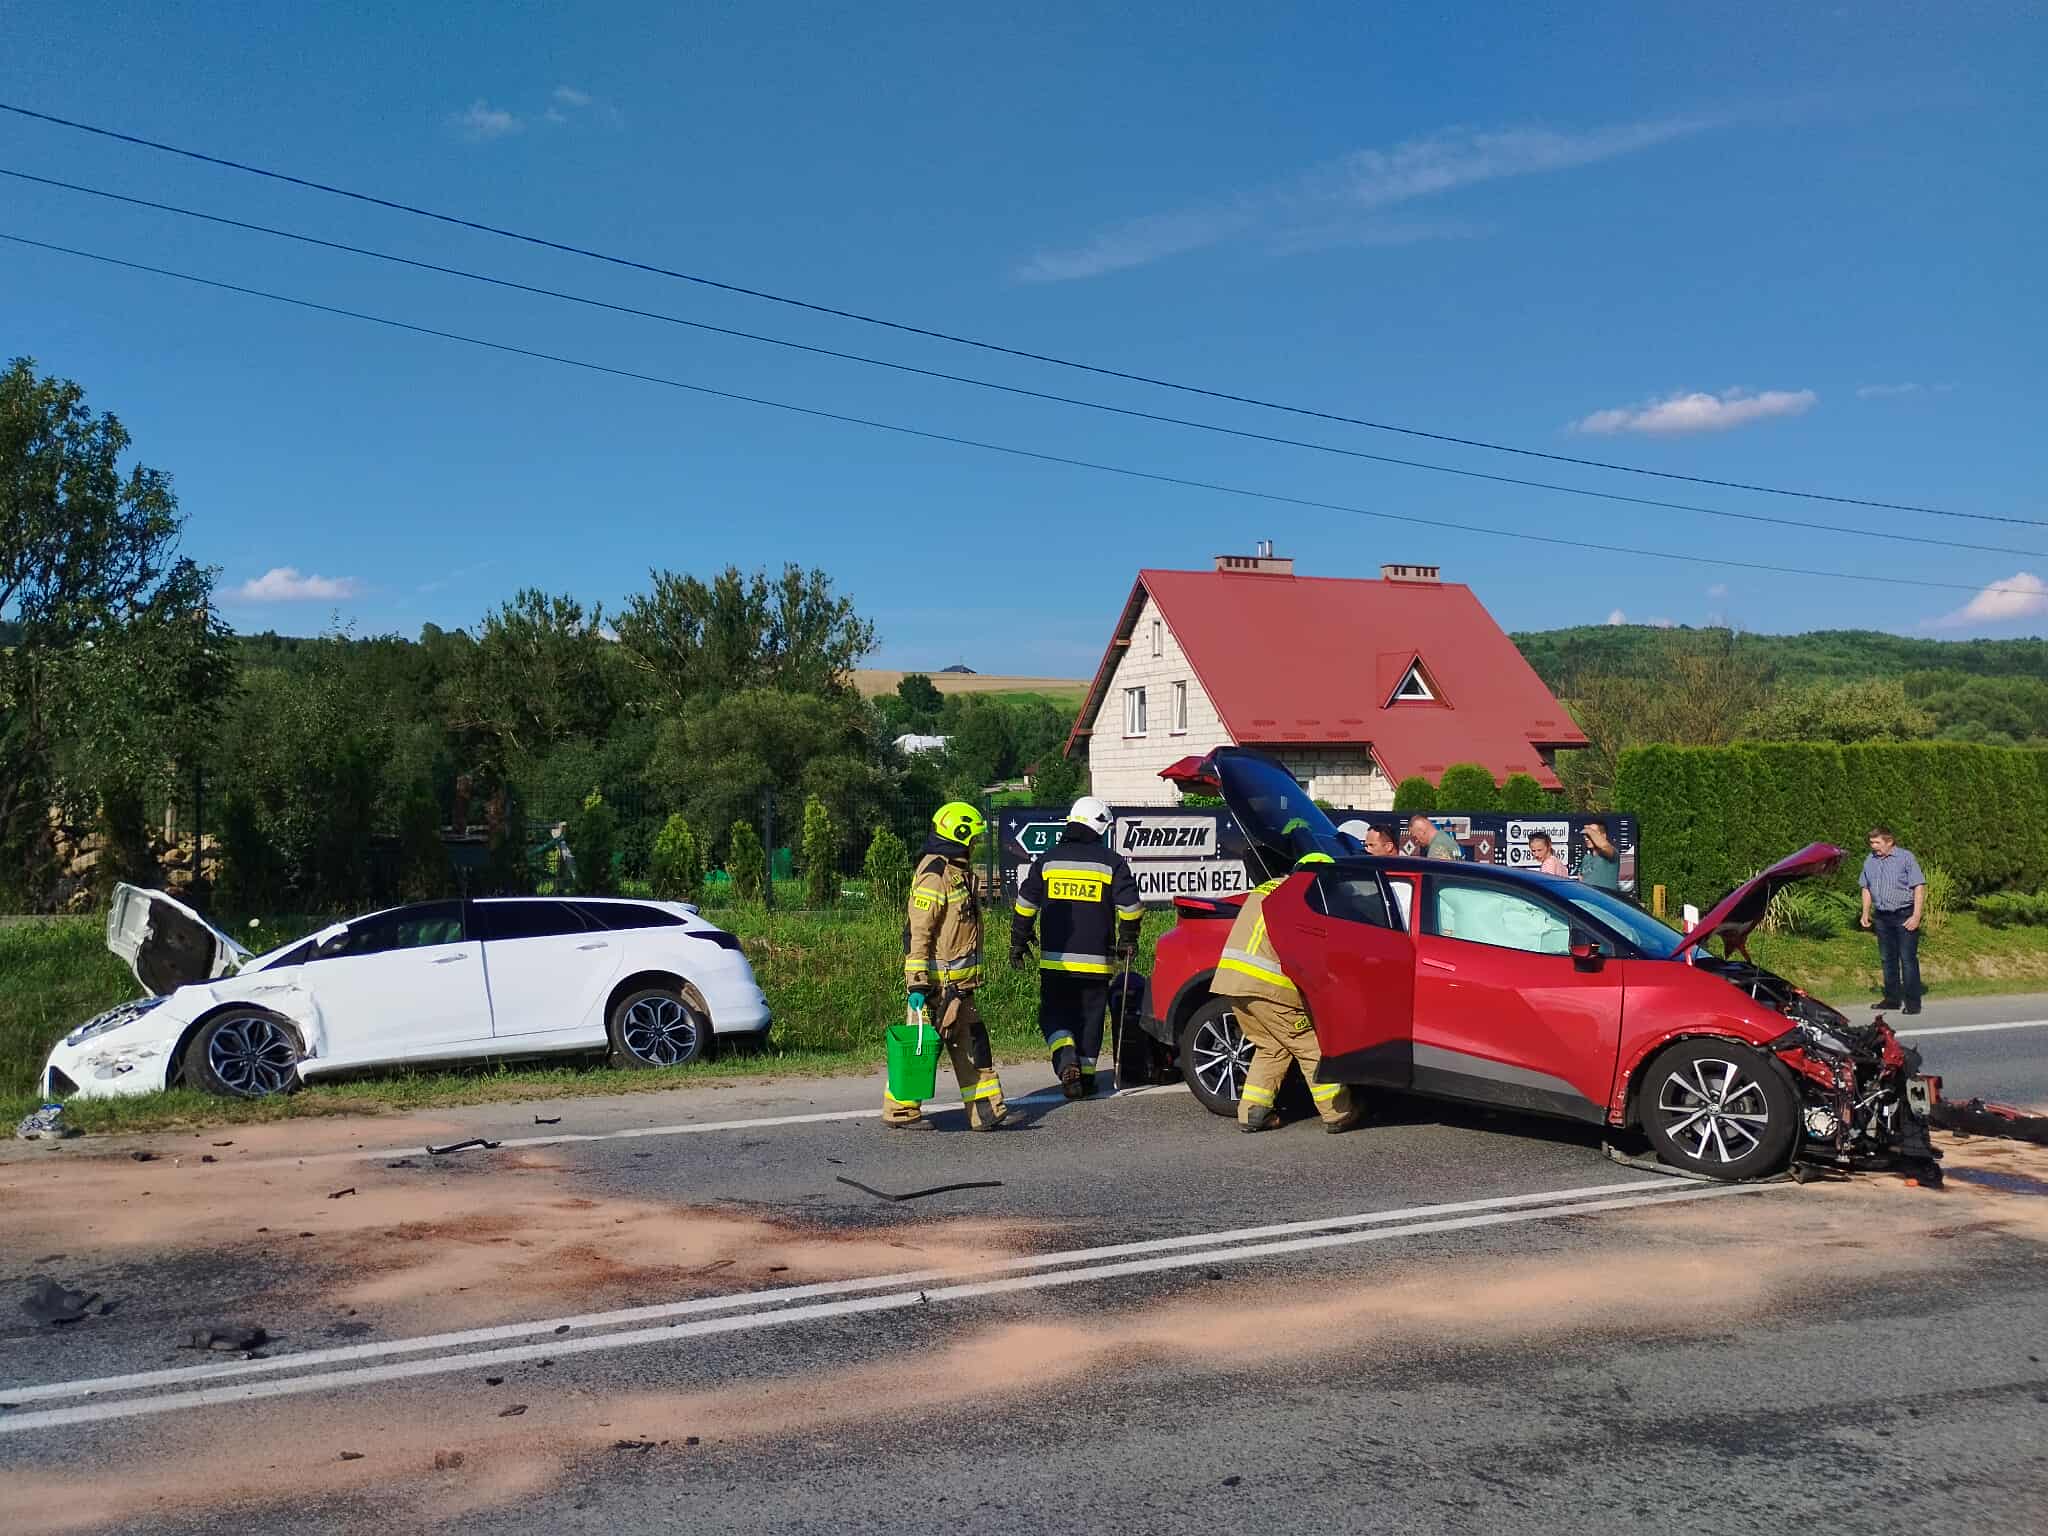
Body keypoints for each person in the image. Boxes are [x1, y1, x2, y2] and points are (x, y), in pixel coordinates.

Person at [1210, 851, 1363, 1135]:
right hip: (1269, 986)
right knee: (1310, 1047)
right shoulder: (1303, 896)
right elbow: (1304, 949)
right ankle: (1337, 1113)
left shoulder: (1268, 888)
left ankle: (1253, 1113)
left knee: (1271, 1047)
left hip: (1233, 982)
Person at [1011, 796, 1143, 1098]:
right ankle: (1083, 1077)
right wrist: (1128, 938)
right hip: (1097, 963)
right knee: (1092, 1019)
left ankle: (1065, 1056)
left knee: (1053, 1015)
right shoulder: (1112, 862)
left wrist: (1018, 941)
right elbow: (1132, 907)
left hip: (1056, 963)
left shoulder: (1048, 860)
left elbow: (1025, 904)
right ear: (1098, 826)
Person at [889, 801, 1008, 1130]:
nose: (975, 843)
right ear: (960, 835)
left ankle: (984, 1110)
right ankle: (901, 1110)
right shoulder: (935, 874)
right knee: (920, 1051)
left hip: (959, 988)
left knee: (969, 1043)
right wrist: (917, 984)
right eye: (973, 837)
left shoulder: (957, 871)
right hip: (935, 988)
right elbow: (919, 931)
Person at [1860, 825, 1927, 1015]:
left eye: (1877, 843)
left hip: (1904, 915)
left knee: (1907, 959)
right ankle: (1892, 999)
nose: (1873, 846)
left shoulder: (1906, 858)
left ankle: (1913, 1003)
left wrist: (1916, 915)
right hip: (1882, 917)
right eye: (1871, 843)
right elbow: (1865, 887)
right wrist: (1865, 912)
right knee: (1887, 959)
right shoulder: (1870, 860)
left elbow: (1918, 886)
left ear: (1889, 842)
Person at [1578, 820, 1622, 892]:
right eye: (1586, 835)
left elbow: (1604, 846)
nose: (1586, 838)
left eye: (1592, 834)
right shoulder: (1586, 858)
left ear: (1603, 836)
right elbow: (1581, 878)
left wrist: (1590, 831)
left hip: (1605, 900)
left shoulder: (1611, 854)